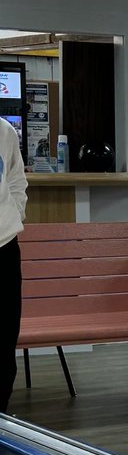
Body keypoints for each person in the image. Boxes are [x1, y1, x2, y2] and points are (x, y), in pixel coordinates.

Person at [0, 117, 27, 414]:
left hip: (4, 247)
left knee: (4, 342)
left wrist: (15, 213)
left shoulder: (4, 130)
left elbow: (17, 181)